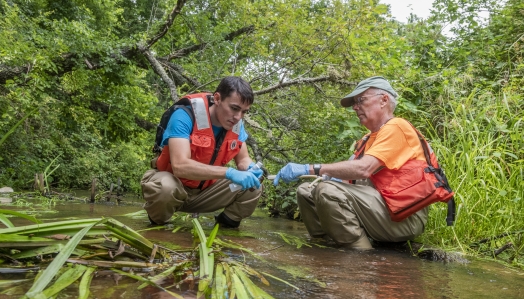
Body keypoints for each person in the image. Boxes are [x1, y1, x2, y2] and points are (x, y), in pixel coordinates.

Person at [274, 76, 430, 250]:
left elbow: (363, 169)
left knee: (327, 191)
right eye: (355, 103)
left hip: (404, 217)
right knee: (306, 191)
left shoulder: (397, 127)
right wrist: (328, 177)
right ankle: (326, 246)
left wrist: (311, 168)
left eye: (361, 100)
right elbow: (349, 178)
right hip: (380, 210)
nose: (355, 107)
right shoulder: (367, 140)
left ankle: (360, 256)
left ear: (383, 100)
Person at [141, 76, 262, 228]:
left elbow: (243, 159)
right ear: (217, 98)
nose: (238, 117)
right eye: (234, 108)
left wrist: (250, 168)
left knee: (254, 187)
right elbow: (180, 166)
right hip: (173, 187)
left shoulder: (237, 124)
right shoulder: (184, 115)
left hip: (206, 193)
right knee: (165, 188)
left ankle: (225, 228)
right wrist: (229, 172)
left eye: (244, 112)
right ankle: (159, 225)